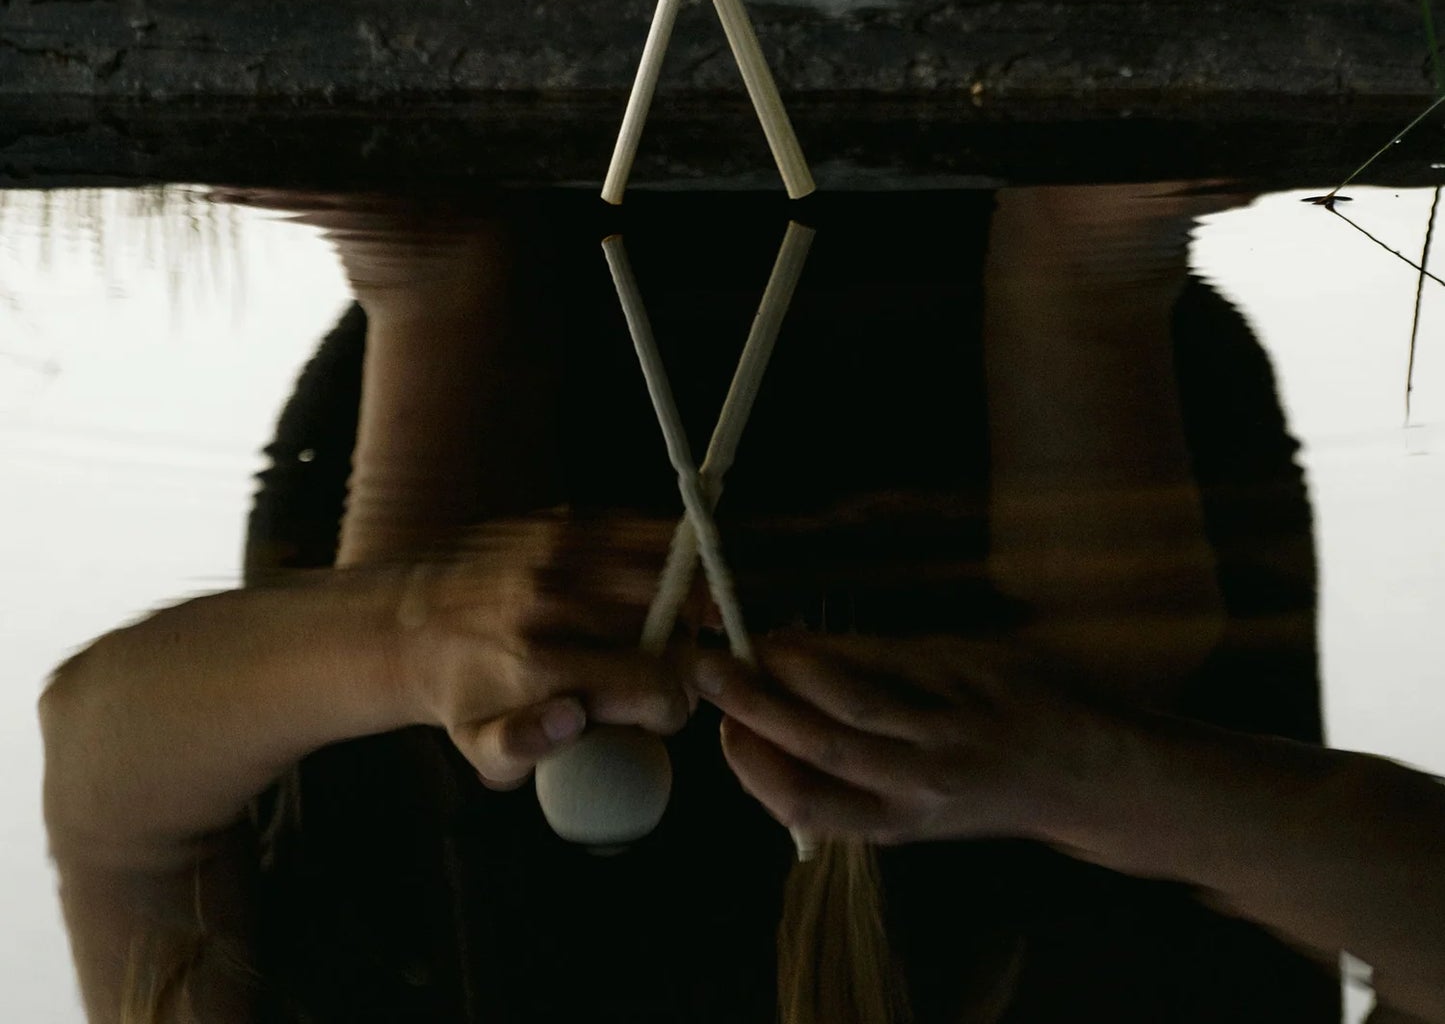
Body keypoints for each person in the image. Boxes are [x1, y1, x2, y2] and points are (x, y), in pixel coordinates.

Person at [43, 181, 1420, 1022]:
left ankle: (438, 273)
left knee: (411, 761)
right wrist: (1078, 770)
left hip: (501, 416)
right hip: (1075, 443)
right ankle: (1086, 263)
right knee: (1126, 672)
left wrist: (408, 637)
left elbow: (111, 786)